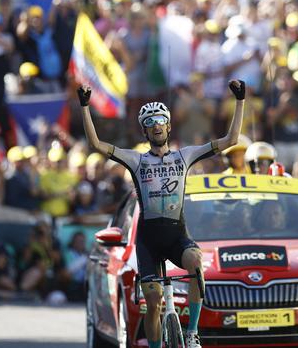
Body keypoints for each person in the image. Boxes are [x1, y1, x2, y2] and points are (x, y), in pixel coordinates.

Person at [77, 79, 246, 348]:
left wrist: (240, 101)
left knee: (195, 261)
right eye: (150, 122)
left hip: (177, 234)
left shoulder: (185, 156)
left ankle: (191, 333)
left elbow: (231, 140)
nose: (156, 125)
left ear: (168, 125)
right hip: (148, 241)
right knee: (153, 304)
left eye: (160, 120)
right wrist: (85, 107)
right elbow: (97, 144)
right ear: (145, 131)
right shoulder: (136, 160)